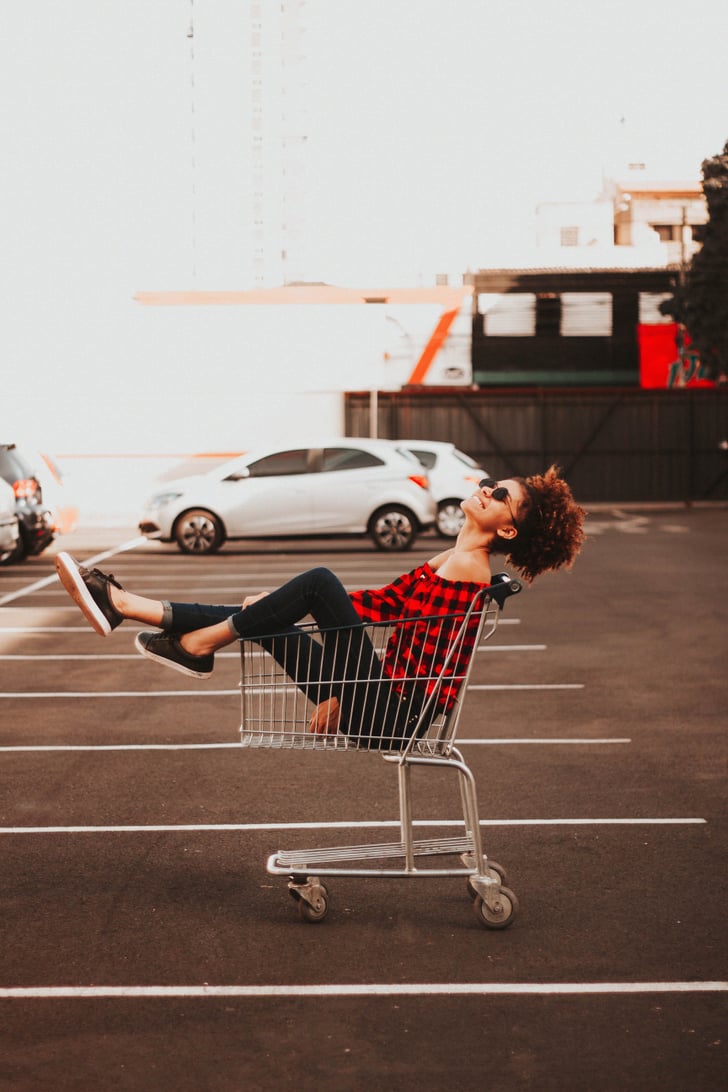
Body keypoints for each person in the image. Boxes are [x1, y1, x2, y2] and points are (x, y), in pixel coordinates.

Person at [56, 467, 585, 747]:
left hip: (394, 711)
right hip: (378, 699)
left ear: (507, 528)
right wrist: (282, 607)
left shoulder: (469, 572)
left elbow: (430, 669)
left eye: (500, 497)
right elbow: (384, 606)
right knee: (270, 616)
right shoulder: (452, 556)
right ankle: (124, 605)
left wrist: (343, 696)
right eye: (492, 485)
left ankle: (196, 643)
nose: (487, 491)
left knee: (317, 582)